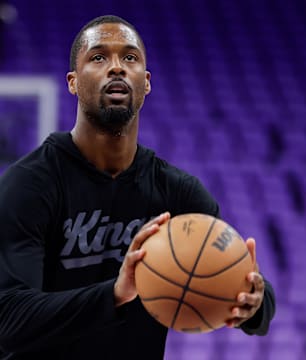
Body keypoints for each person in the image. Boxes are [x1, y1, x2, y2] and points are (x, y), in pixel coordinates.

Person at [0, 15, 276, 359]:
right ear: (72, 82)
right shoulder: (29, 185)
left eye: (129, 57)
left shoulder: (177, 192)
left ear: (145, 82)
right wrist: (115, 293)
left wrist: (253, 301)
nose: (116, 67)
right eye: (98, 57)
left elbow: (255, 304)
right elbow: (7, 320)